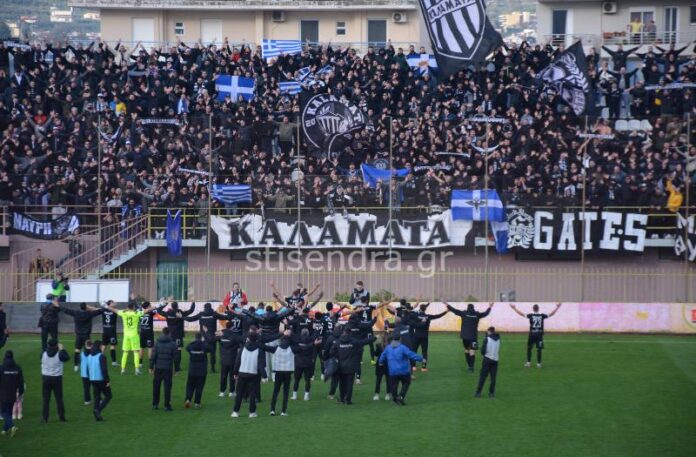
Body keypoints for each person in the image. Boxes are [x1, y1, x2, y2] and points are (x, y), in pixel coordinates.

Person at [329, 328, 375, 405]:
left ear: (343, 333)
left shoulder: (338, 342)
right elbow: (363, 342)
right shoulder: (353, 342)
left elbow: (331, 352)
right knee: (349, 384)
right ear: (350, 333)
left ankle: (342, 399)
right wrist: (373, 338)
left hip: (341, 366)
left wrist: (337, 355)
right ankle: (348, 400)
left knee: (342, 384)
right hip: (351, 366)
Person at [231, 331, 271, 418]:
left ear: (248, 339)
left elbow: (237, 361)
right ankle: (252, 412)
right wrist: (264, 376)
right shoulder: (259, 350)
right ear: (256, 339)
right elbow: (261, 365)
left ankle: (235, 412)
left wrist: (235, 373)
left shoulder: (242, 348)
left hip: (242, 373)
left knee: (239, 394)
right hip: (253, 375)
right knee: (252, 394)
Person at [107, 300, 153, 375]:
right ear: (134, 307)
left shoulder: (123, 313)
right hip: (134, 335)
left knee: (125, 352)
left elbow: (113, 309)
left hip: (126, 336)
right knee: (136, 352)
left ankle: (122, 370)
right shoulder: (136, 313)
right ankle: (137, 370)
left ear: (128, 307)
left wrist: (106, 306)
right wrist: (160, 304)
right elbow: (147, 310)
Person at [445, 302, 493, 372]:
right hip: (473, 336)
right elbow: (485, 313)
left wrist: (446, 305)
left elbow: (454, 310)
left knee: (466, 350)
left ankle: (469, 365)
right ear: (473, 308)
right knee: (472, 351)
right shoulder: (477, 314)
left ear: (467, 308)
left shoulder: (464, 313)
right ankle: (471, 367)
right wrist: (490, 307)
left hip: (465, 336)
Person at [510, 303, 561, 368]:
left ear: (533, 309)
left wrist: (514, 308)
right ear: (538, 309)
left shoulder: (531, 315)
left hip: (532, 334)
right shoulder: (542, 315)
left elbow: (521, 314)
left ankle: (528, 363)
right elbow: (551, 314)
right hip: (539, 335)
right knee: (539, 349)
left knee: (529, 348)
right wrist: (557, 307)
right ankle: (539, 364)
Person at [378, 333, 423, 405]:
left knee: (394, 385)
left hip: (393, 371)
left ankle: (395, 399)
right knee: (406, 383)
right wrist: (421, 358)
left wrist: (381, 362)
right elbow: (411, 354)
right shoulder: (402, 347)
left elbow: (383, 356)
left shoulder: (388, 348)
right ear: (400, 339)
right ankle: (401, 396)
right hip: (404, 370)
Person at [58, 302, 104, 371]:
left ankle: (76, 366)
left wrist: (59, 305)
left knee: (77, 350)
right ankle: (88, 365)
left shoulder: (76, 313)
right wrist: (92, 308)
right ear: (86, 307)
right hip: (86, 335)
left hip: (78, 335)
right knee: (88, 350)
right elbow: (100, 311)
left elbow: (66, 310)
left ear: (80, 307)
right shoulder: (89, 313)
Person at [184, 302, 228, 373]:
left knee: (202, 352)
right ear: (211, 307)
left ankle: (202, 366)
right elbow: (225, 317)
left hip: (203, 337)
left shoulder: (201, 314)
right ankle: (212, 368)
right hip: (212, 337)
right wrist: (232, 313)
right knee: (212, 353)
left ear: (204, 308)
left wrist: (182, 317)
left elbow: (191, 319)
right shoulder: (214, 314)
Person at [156, 301, 195, 373]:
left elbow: (158, 310)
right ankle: (177, 367)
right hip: (178, 334)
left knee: (169, 350)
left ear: (171, 306)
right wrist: (193, 303)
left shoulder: (168, 313)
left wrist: (166, 303)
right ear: (177, 306)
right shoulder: (180, 313)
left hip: (170, 334)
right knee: (178, 350)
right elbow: (191, 311)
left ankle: (169, 366)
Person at [410, 303, 448, 372]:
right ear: (425, 309)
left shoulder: (416, 315)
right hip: (424, 336)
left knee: (414, 351)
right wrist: (446, 311)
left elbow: (409, 312)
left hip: (416, 336)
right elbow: (438, 316)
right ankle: (423, 367)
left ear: (420, 309)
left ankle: (413, 366)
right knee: (424, 352)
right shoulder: (428, 316)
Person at [267, 330, 296, 416]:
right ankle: (283, 411)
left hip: (278, 371)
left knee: (275, 391)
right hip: (287, 372)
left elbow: (264, 347)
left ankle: (272, 410)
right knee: (286, 392)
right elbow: (301, 345)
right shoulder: (292, 348)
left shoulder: (276, 348)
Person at [41, 339, 69, 422]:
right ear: (57, 345)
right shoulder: (59, 354)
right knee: (59, 399)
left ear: (48, 345)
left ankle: (45, 418)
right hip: (57, 378)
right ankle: (62, 417)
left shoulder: (43, 353)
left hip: (46, 377)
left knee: (46, 400)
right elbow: (67, 358)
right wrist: (62, 349)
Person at [150, 327, 177, 411]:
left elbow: (153, 356)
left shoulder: (157, 343)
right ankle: (167, 405)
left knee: (156, 387)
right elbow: (176, 358)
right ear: (169, 333)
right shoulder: (173, 344)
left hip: (158, 368)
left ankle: (155, 404)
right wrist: (176, 369)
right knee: (167, 388)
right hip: (168, 368)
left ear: (162, 333)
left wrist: (151, 367)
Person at [216, 322, 244, 398]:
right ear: (232, 327)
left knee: (223, 376)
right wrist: (238, 346)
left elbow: (211, 338)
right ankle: (231, 392)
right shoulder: (235, 336)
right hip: (232, 360)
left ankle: (222, 392)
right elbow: (243, 341)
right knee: (232, 376)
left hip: (223, 360)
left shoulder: (221, 336)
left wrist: (206, 332)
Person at [291, 328, 320, 402]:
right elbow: (316, 336)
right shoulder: (311, 341)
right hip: (308, 363)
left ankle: (294, 395)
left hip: (298, 363)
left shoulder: (297, 341)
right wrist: (316, 329)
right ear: (308, 334)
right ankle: (306, 396)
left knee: (296, 380)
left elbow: (294, 350)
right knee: (307, 380)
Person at [86, 340, 112, 421]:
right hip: (101, 379)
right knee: (108, 395)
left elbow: (88, 369)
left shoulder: (89, 356)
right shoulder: (101, 356)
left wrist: (90, 378)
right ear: (99, 346)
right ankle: (98, 410)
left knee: (97, 397)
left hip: (92, 379)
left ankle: (96, 414)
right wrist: (107, 380)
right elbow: (104, 369)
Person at [0, 351, 24, 437]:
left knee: (4, 412)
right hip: (13, 393)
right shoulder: (17, 367)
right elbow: (21, 381)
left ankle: (12, 426)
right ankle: (4, 430)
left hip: (3, 393)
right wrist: (21, 392)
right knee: (9, 412)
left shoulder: (1, 368)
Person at [475, 327, 501, 398]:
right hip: (495, 360)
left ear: (489, 331)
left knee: (483, 377)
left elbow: (483, 351)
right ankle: (491, 393)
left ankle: (478, 393)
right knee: (493, 378)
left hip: (487, 360)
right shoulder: (498, 339)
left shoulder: (487, 339)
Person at [184, 333, 209, 409]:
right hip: (202, 370)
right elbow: (210, 349)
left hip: (192, 370)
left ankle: (188, 400)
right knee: (199, 387)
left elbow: (187, 347)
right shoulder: (204, 345)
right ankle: (197, 403)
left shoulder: (191, 346)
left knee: (190, 386)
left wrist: (194, 342)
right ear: (201, 338)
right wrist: (204, 341)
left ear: (195, 338)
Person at [138, 302, 158, 371]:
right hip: (149, 332)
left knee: (142, 348)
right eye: (149, 305)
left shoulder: (140, 312)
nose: (150, 306)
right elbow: (156, 310)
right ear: (148, 306)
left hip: (142, 332)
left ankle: (140, 363)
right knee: (150, 348)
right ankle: (150, 364)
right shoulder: (151, 312)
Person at [100, 300, 119, 366]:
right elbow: (119, 311)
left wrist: (105, 306)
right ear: (109, 304)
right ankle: (114, 362)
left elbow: (97, 309)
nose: (114, 303)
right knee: (112, 346)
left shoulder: (103, 310)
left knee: (104, 345)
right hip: (112, 331)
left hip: (105, 330)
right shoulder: (114, 311)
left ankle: (99, 359)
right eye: (112, 302)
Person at [79, 340, 94, 405]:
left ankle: (87, 400)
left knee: (86, 388)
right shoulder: (93, 353)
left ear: (85, 345)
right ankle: (98, 400)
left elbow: (80, 361)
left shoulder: (82, 353)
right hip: (92, 373)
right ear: (92, 345)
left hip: (84, 373)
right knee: (96, 387)